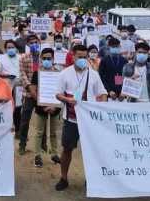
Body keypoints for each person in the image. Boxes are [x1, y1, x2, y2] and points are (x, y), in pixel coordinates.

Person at [54, 45, 107, 191]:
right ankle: (63, 178)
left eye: (85, 57)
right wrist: (67, 99)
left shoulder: (93, 74)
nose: (83, 60)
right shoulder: (65, 74)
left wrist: (100, 107)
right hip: (71, 119)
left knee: (91, 151)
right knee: (67, 149)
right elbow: (57, 94)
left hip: (90, 121)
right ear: (73, 56)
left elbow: (102, 93)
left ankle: (90, 179)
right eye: (80, 57)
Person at [28, 47, 61, 168]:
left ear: (53, 59)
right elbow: (33, 89)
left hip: (55, 107)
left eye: (49, 58)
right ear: (41, 59)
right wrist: (42, 104)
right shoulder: (37, 73)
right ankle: (37, 155)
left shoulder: (59, 73)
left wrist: (53, 105)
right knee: (39, 132)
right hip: (40, 107)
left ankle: (55, 154)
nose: (47, 60)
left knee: (53, 133)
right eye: (45, 58)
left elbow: (60, 91)